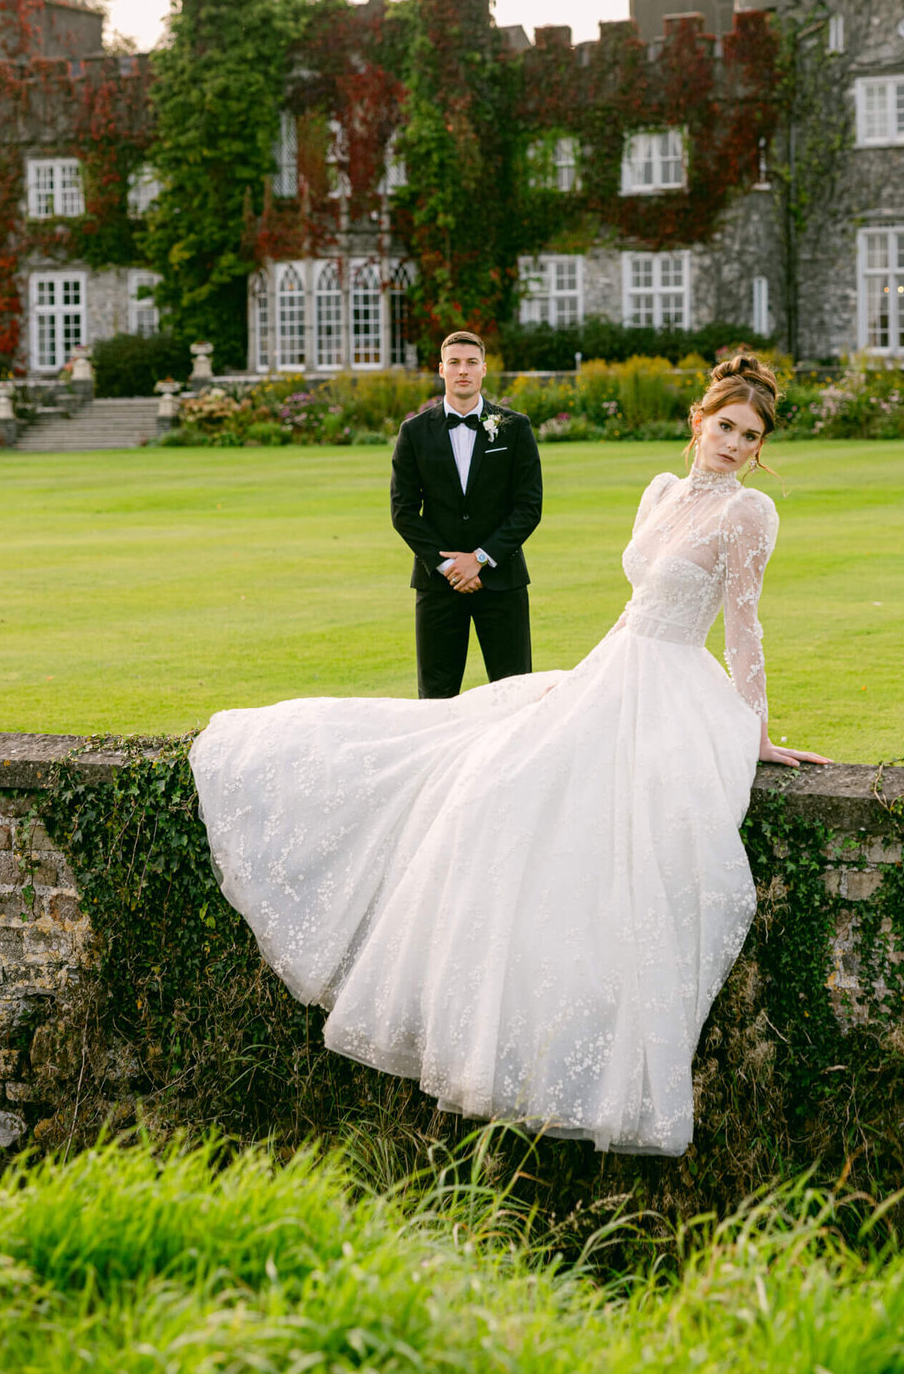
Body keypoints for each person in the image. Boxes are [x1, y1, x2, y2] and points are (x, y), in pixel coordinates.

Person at [190, 352, 829, 1158]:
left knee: (571, 822)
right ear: (697, 423)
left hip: (671, 688)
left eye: (751, 435)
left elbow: (744, 628)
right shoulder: (660, 492)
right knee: (481, 772)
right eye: (725, 427)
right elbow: (637, 603)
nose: (734, 444)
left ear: (760, 446)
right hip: (613, 667)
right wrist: (584, 683)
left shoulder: (749, 515)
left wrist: (757, 732)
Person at [390, 331, 543, 698]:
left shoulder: (514, 428)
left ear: (484, 370)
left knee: (514, 693)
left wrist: (480, 559)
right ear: (441, 370)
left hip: (502, 581)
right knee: (436, 698)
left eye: (471, 363)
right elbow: (403, 511)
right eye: (454, 363)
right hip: (438, 584)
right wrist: (450, 567)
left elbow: (528, 506)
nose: (463, 371)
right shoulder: (413, 433)